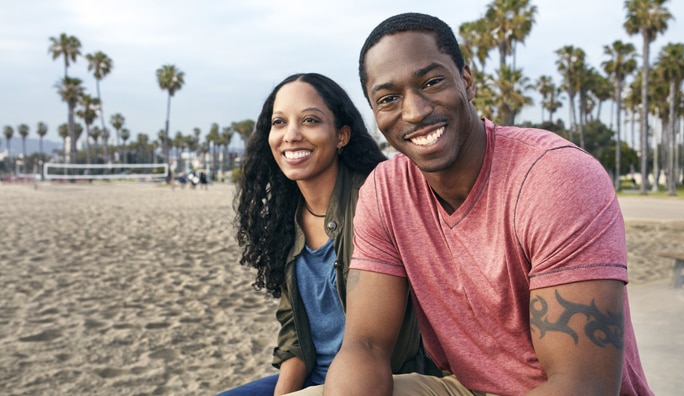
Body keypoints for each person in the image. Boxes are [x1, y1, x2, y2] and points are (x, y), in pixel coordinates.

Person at [290, 13, 653, 396]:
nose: (413, 111)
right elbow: (365, 346)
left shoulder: (557, 178)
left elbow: (584, 384)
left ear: (466, 80)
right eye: (389, 99)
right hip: (465, 388)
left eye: (431, 82)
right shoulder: (385, 191)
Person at [218, 73, 438, 396]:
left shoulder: (374, 200)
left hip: (372, 380)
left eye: (309, 120)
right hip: (312, 379)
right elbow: (294, 333)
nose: (291, 135)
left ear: (341, 136)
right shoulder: (284, 218)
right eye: (279, 122)